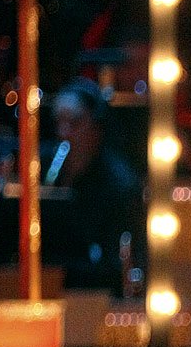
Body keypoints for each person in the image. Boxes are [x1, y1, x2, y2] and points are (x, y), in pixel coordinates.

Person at [44, 77, 144, 293]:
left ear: (97, 127)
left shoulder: (119, 183)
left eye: (74, 123)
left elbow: (116, 259)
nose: (64, 133)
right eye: (59, 123)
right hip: (50, 278)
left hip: (95, 288)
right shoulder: (43, 167)